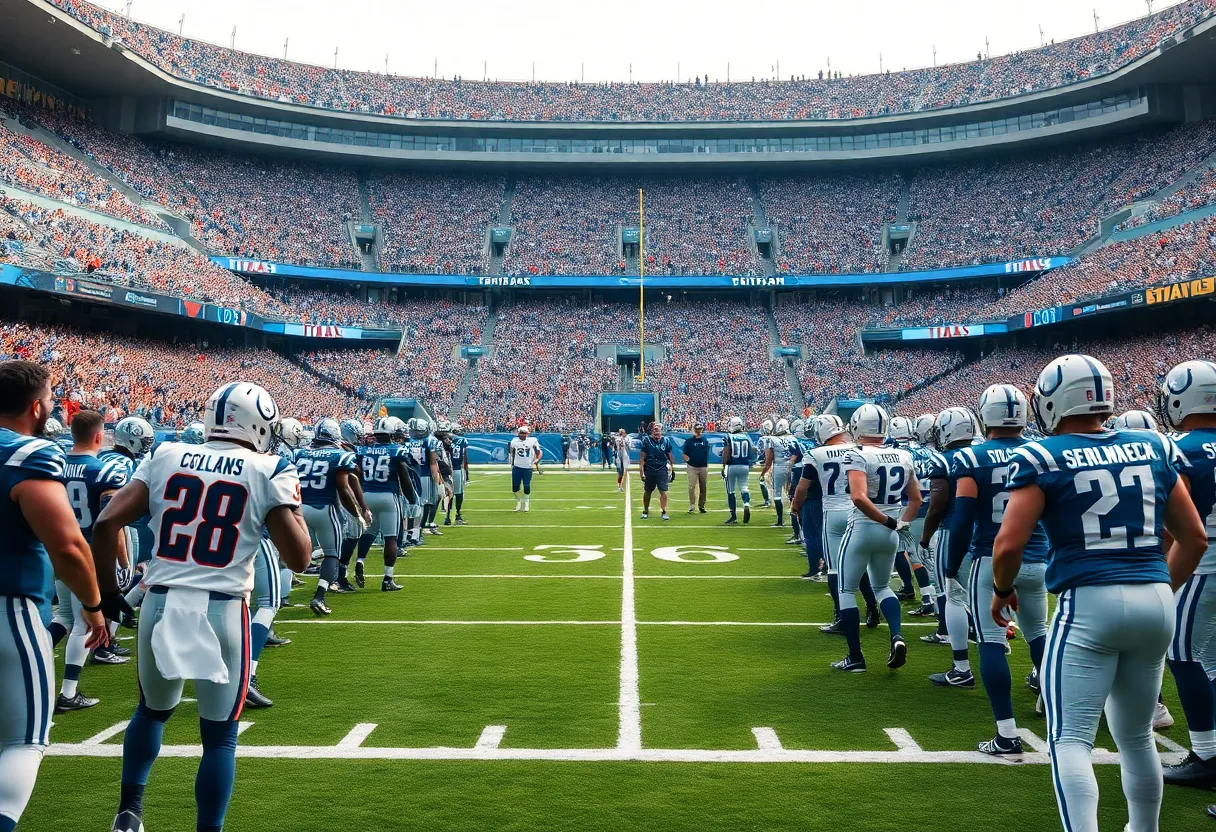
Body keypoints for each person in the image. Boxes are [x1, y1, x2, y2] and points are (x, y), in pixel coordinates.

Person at [992, 354, 1207, 832]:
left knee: (1070, 738)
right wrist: (1156, 589)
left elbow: (1008, 544)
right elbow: (1194, 538)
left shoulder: (1042, 455)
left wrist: (1002, 588)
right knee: (1136, 736)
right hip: (1155, 598)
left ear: (1053, 399)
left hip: (1089, 601)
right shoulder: (1153, 444)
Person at [93, 381, 312, 832]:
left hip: (161, 601)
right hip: (224, 608)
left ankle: (129, 810)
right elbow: (300, 558)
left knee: (151, 713)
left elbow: (108, 519)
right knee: (219, 738)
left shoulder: (166, 454)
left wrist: (107, 594)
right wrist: (294, 510)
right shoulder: (269, 468)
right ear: (258, 423)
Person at [1, 360, 109, 832]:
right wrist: (93, 605)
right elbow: (66, 546)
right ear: (35, 406)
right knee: (24, 740)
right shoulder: (28, 454)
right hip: (11, 605)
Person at [947, 384, 1050, 756]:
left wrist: (949, 565)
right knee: (1039, 633)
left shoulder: (972, 458)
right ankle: (1057, 718)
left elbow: (961, 520)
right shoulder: (1040, 452)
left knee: (991, 639)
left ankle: (1006, 734)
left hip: (991, 557)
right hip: (1037, 557)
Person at [1154, 361, 1216, 791]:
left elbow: (1176, 522)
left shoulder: (1183, 449)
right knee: (1209, 659)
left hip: (1201, 566)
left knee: (1183, 655)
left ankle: (1207, 754)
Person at [831, 403, 921, 673]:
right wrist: (899, 523)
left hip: (863, 528)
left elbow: (858, 498)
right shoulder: (903, 455)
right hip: (889, 534)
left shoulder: (857, 454)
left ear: (858, 426)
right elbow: (916, 499)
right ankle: (897, 636)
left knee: (846, 591)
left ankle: (856, 657)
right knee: (883, 588)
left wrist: (888, 520)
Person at [55, 409, 132, 713]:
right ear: (100, 436)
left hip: (58, 548)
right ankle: (68, 693)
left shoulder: (54, 464)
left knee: (63, 616)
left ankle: (31, 664)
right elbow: (111, 524)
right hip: (88, 554)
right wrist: (123, 561)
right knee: (84, 625)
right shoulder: (103, 472)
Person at [793, 415, 877, 626]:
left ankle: (841, 617)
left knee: (834, 568)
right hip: (859, 510)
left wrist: (795, 506)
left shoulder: (815, 453)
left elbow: (803, 487)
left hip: (833, 512)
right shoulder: (860, 450)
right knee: (860, 563)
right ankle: (872, 606)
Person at [920, 407, 982, 685]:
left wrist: (924, 538)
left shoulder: (944, 460)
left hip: (953, 529)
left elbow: (936, 507)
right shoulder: (983, 454)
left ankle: (961, 667)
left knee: (952, 593)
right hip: (990, 531)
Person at [295, 418, 368, 616]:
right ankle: (319, 596)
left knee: (286, 557)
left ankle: (280, 597)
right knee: (331, 555)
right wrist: (357, 514)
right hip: (325, 509)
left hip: (299, 508)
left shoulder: (298, 453)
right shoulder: (339, 455)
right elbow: (343, 489)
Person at [356, 417, 415, 593]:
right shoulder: (397, 451)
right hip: (388, 495)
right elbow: (404, 476)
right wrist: (411, 497)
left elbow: (358, 473)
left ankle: (360, 561)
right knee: (391, 538)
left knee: (368, 533)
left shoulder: (363, 450)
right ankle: (388, 579)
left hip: (367, 495)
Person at [760, 418, 797, 528]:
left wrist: (764, 471)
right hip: (792, 466)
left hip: (779, 466)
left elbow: (769, 458)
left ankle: (780, 520)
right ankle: (795, 518)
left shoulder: (772, 439)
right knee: (792, 494)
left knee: (777, 494)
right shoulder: (793, 438)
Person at [638, 421, 675, 521]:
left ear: (661, 431)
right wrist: (642, 472)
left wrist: (672, 468)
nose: (657, 432)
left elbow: (670, 455)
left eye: (658, 431)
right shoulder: (647, 440)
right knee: (648, 491)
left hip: (662, 469)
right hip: (650, 469)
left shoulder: (666, 441)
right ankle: (645, 510)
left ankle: (664, 511)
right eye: (655, 430)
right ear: (651, 431)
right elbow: (642, 458)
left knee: (663, 491)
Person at [721, 417, 754, 525]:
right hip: (744, 465)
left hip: (732, 466)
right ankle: (746, 504)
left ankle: (733, 516)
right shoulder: (747, 437)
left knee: (731, 491)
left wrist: (723, 466)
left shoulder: (729, 437)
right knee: (744, 487)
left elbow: (726, 452)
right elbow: (753, 450)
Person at [508, 425, 542, 512]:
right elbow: (512, 453)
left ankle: (526, 502)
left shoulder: (533, 440)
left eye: (525, 433)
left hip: (527, 467)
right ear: (518, 433)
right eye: (521, 433)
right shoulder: (514, 441)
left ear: (527, 434)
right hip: (517, 467)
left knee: (526, 486)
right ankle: (519, 502)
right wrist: (512, 464)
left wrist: (536, 460)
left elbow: (539, 452)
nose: (523, 435)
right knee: (515, 487)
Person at [445, 421, 470, 526]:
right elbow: (464, 457)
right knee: (459, 494)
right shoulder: (462, 440)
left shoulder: (444, 439)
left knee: (448, 494)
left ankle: (447, 517)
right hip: (457, 469)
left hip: (446, 470)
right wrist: (467, 473)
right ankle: (457, 515)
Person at [682, 423, 710, 514]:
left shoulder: (705, 440)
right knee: (691, 486)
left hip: (703, 466)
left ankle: (701, 506)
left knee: (703, 486)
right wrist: (688, 461)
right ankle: (692, 505)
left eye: (700, 429)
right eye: (697, 429)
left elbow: (707, 452)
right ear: (694, 429)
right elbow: (684, 454)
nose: (699, 431)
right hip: (692, 467)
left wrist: (706, 463)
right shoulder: (689, 441)